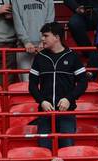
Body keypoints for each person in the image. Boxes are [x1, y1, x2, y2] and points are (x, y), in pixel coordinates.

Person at [29, 22, 87, 151]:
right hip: (45, 114)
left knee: (68, 151)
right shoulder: (40, 57)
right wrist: (42, 101)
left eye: (45, 35)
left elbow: (83, 82)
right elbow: (32, 85)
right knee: (44, 152)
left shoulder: (72, 56)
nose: (42, 39)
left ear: (57, 37)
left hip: (66, 113)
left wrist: (69, 99)